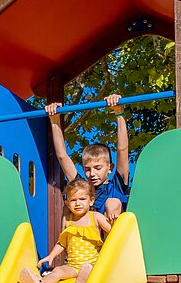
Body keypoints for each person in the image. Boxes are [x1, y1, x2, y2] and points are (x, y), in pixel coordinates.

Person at [46, 93, 132, 221]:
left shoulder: (116, 186)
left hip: (112, 232)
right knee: (68, 206)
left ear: (110, 168)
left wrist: (119, 113)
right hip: (88, 233)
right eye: (87, 169)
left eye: (98, 168)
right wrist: (54, 120)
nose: (92, 174)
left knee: (112, 203)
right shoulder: (83, 187)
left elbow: (122, 150)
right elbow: (62, 156)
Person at [19, 178, 111, 283]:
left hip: (93, 266)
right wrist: (51, 256)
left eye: (82, 199)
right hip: (72, 267)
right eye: (73, 200)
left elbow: (113, 232)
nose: (77, 203)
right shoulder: (68, 220)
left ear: (91, 200)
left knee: (88, 269)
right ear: (67, 203)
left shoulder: (96, 217)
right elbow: (62, 242)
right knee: (58, 271)